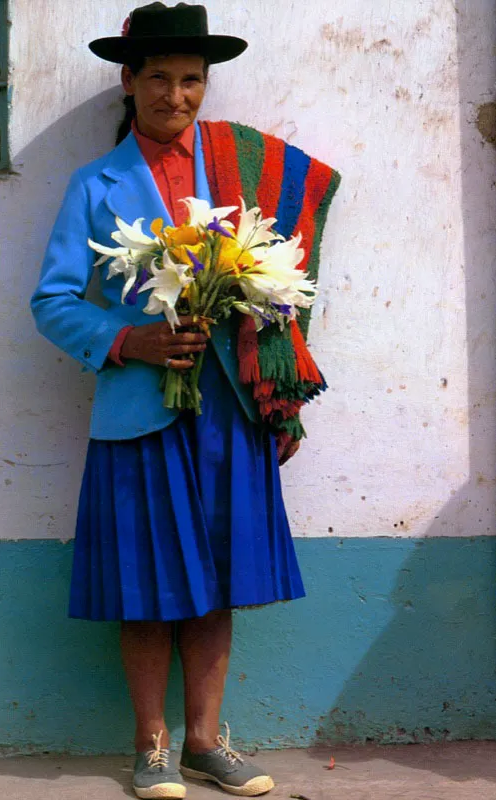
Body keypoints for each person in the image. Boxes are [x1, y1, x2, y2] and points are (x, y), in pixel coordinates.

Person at [31, 4, 340, 798]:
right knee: (147, 588)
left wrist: (279, 396)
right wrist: (126, 341)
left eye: (192, 80)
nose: (177, 96)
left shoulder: (235, 177)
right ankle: (151, 746)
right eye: (159, 79)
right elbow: (54, 299)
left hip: (231, 411)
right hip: (140, 410)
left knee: (217, 584)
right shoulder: (94, 185)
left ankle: (205, 741)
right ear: (128, 83)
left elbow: (277, 285)